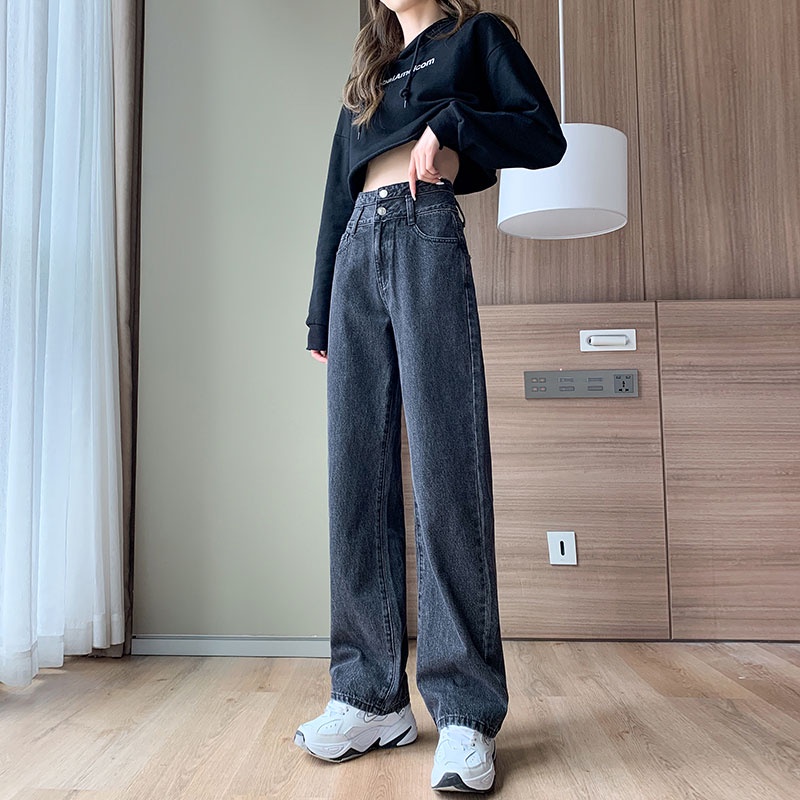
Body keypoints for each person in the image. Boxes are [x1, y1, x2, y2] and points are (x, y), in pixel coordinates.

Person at [295, 0, 566, 792]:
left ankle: (464, 711)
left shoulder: (475, 39)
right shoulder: (369, 72)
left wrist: (451, 126)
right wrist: (321, 305)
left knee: (446, 471)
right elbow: (336, 191)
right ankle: (368, 697)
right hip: (356, 252)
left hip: (425, 234)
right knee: (355, 481)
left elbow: (541, 134)